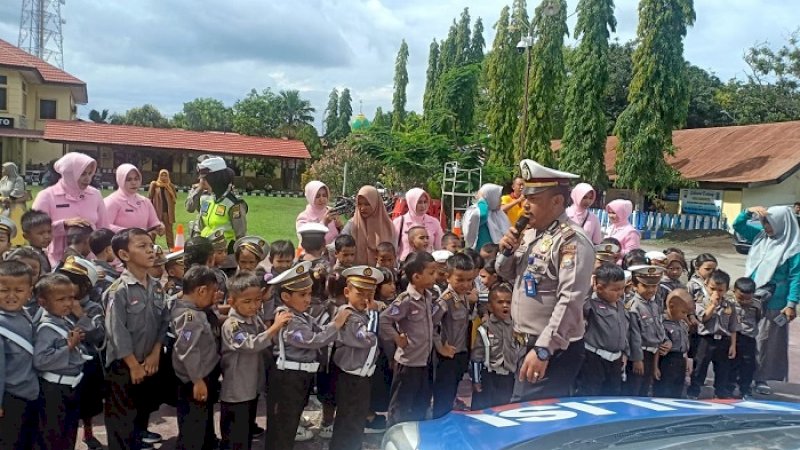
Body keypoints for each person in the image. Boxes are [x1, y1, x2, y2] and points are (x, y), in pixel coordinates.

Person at [496, 160, 594, 402]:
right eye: (524, 196)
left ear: (557, 201)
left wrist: (544, 349)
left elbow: (570, 300)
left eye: (533, 198)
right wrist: (507, 251)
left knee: (528, 422)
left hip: (552, 350)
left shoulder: (571, 240)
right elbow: (510, 275)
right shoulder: (531, 233)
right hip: (522, 343)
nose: (525, 205)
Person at [265, 261, 350, 449]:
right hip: (288, 378)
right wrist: (336, 324)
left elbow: (318, 329)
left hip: (299, 377)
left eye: (309, 294)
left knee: (290, 424)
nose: (308, 299)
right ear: (286, 296)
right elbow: (315, 340)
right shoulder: (288, 318)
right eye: (302, 295)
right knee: (283, 428)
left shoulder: (301, 315)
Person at [102, 228, 168, 450]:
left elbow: (163, 323)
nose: (150, 251)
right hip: (125, 366)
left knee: (140, 417)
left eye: (151, 246)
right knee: (122, 424)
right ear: (124, 255)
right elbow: (115, 330)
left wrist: (155, 353)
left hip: (149, 363)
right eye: (142, 246)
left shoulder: (157, 287)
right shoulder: (118, 291)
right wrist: (133, 365)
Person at [220, 272, 291, 450]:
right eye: (247, 301)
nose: (254, 306)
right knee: (235, 437)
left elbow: (265, 337)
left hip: (251, 388)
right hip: (236, 392)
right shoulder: (232, 325)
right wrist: (275, 327)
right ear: (231, 301)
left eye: (258, 300)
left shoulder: (253, 318)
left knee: (245, 435)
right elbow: (251, 344)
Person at [734, 205, 800, 395]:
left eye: (770, 223)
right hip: (750, 298)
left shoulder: (793, 248)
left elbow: (796, 277)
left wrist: (791, 304)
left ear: (782, 223)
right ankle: (741, 375)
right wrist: (748, 211)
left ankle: (760, 378)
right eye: (764, 222)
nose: (766, 227)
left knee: (766, 341)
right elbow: (738, 225)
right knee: (745, 336)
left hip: (774, 303)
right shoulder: (761, 236)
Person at [379, 251, 438, 426]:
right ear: (417, 277)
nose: (435, 276)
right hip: (408, 363)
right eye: (431, 273)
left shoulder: (428, 296)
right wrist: (397, 338)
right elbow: (384, 320)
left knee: (421, 403)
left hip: (424, 361)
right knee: (401, 405)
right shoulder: (405, 300)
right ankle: (395, 435)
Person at [329, 266, 382, 450]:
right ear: (347, 292)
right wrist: (375, 314)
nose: (366, 299)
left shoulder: (363, 314)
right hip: (350, 377)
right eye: (360, 293)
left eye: (370, 294)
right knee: (347, 422)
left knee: (357, 420)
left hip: (363, 377)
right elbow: (367, 339)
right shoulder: (349, 316)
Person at [171, 266, 221, 450]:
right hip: (195, 378)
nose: (215, 296)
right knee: (193, 427)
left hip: (200, 374)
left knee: (202, 422)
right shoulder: (189, 317)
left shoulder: (188, 307)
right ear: (201, 290)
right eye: (212, 292)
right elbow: (187, 350)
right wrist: (198, 381)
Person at [31, 152, 109, 266]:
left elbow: (104, 229)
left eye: (90, 174)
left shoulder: (95, 194)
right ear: (69, 174)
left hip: (90, 262)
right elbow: (34, 230)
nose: (87, 179)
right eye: (82, 174)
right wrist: (63, 225)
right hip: (56, 261)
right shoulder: (47, 196)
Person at [576, 264, 642, 397]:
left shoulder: (621, 305)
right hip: (595, 358)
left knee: (612, 394)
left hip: (616, 360)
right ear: (599, 288)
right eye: (615, 289)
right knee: (591, 394)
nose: (620, 293)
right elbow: (580, 304)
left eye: (622, 288)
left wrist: (626, 352)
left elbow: (625, 331)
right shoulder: (592, 304)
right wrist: (590, 286)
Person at [0, 260, 39, 450]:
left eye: (19, 290)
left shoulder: (26, 314)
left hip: (29, 396)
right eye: (4, 290)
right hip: (8, 399)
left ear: (29, 292)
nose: (11, 296)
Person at [430, 253, 475, 418]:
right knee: (443, 398)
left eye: (469, 280)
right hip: (447, 357)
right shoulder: (445, 300)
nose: (465, 284)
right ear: (448, 277)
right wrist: (440, 347)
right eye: (460, 280)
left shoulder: (464, 297)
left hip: (461, 353)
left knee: (453, 392)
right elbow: (431, 325)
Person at [687, 269, 739, 399]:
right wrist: (712, 305)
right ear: (706, 285)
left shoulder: (730, 305)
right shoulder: (701, 302)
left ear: (727, 289)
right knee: (700, 367)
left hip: (723, 340)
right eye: (712, 288)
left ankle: (721, 391)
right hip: (705, 339)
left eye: (720, 290)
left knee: (723, 369)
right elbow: (703, 318)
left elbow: (733, 327)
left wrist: (733, 345)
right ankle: (694, 391)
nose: (716, 293)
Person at [623, 265, 671, 397]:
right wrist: (637, 359)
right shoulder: (634, 306)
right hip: (640, 354)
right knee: (634, 390)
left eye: (654, 286)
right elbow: (634, 335)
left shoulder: (654, 305)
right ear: (634, 285)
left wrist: (666, 341)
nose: (651, 290)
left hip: (653, 354)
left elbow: (659, 326)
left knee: (645, 389)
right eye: (646, 286)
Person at [470, 283, 515, 410]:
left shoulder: (516, 328)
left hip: (509, 377)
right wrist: (476, 380)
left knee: (505, 411)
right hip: (489, 377)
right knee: (483, 411)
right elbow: (476, 357)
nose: (505, 305)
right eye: (500, 302)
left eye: (508, 302)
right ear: (490, 306)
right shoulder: (485, 329)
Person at [197, 157, 247, 250]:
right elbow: (200, 226)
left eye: (205, 179)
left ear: (216, 179)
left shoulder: (234, 204)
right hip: (206, 252)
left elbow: (240, 235)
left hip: (225, 255)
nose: (202, 183)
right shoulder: (205, 198)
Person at [341, 185, 396, 266]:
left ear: (376, 203)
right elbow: (340, 244)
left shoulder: (387, 226)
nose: (362, 208)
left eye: (367, 204)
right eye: (359, 204)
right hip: (355, 274)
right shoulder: (352, 224)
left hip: (382, 274)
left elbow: (394, 252)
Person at [653, 289, 693, 398]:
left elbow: (685, 344)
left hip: (680, 360)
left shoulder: (683, 323)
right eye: (683, 312)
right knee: (664, 391)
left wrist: (687, 359)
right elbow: (658, 347)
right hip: (667, 360)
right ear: (671, 306)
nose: (685, 315)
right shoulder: (661, 322)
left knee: (677, 391)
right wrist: (655, 367)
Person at [105, 164, 165, 237]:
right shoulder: (112, 201)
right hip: (119, 245)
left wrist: (159, 227)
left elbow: (154, 223)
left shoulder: (145, 202)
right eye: (129, 179)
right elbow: (104, 225)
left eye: (136, 179)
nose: (133, 183)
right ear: (121, 180)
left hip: (141, 245)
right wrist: (129, 233)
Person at [393, 188, 443, 260]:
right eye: (419, 202)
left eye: (425, 202)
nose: (423, 206)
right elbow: (393, 248)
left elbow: (439, 249)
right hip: (406, 265)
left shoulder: (434, 222)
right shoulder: (399, 222)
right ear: (411, 202)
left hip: (427, 265)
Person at [730, 277, 759, 399]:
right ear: (734, 292)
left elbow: (758, 318)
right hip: (733, 337)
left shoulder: (757, 305)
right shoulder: (729, 303)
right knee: (731, 364)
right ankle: (728, 388)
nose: (744, 302)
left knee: (748, 365)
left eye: (748, 299)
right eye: (740, 298)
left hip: (748, 338)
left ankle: (745, 389)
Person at [463, 184, 511, 251]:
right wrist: (482, 201)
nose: (501, 201)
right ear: (491, 197)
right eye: (498, 197)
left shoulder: (498, 214)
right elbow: (481, 216)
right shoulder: (477, 211)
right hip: (479, 253)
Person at [296, 180, 341, 245]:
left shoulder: (331, 211)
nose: (321, 199)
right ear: (310, 197)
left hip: (333, 253)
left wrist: (341, 227)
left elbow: (341, 238)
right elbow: (306, 240)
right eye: (317, 196)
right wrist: (324, 223)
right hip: (313, 254)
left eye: (324, 195)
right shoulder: (303, 217)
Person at [148, 170, 178, 249]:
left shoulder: (170, 186)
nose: (163, 177)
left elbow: (175, 197)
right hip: (156, 212)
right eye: (162, 175)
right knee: (153, 230)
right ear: (159, 176)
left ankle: (171, 248)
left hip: (167, 212)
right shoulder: (155, 185)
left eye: (165, 175)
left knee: (169, 231)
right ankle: (151, 247)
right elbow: (150, 197)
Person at [0, 162, 27, 246]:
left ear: (10, 169)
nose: (2, 170)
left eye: (4, 168)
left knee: (16, 225)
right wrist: (2, 199)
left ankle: (17, 244)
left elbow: (18, 191)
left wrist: (9, 199)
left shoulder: (18, 179)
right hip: (3, 206)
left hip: (15, 207)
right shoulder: (3, 180)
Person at [21, 209, 53, 274]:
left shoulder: (41, 252)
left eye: (49, 232)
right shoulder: (29, 256)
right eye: (41, 233)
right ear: (26, 236)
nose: (47, 236)